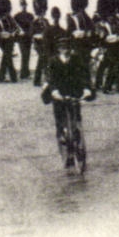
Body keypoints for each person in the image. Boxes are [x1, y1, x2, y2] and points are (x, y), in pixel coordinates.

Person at [42, 38, 96, 172]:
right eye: (62, 47)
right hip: (59, 93)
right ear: (58, 49)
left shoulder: (76, 59)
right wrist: (54, 91)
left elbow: (83, 74)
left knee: (76, 118)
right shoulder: (53, 61)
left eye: (67, 47)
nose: (65, 50)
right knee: (60, 121)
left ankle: (78, 141)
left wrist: (86, 88)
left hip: (73, 91)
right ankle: (65, 150)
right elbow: (51, 78)